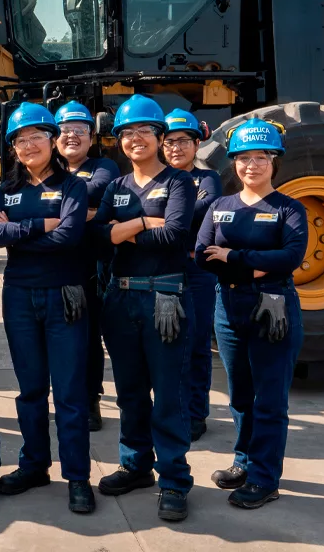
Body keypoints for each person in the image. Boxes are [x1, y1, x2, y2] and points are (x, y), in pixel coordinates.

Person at [90, 94, 197, 523]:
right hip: (120, 298)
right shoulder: (116, 187)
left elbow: (174, 236)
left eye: (144, 131)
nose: (135, 138)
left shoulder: (178, 183)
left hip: (163, 298)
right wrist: (137, 224)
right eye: (127, 133)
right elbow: (97, 238)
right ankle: (135, 466)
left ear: (158, 136)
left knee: (168, 394)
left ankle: (173, 479)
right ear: (118, 141)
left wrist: (119, 232)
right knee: (130, 391)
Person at [0, 102, 95, 515]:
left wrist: (18, 233)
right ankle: (34, 465)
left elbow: (69, 237)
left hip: (64, 296)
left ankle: (78, 477)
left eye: (36, 137)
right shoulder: (8, 189)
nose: (28, 145)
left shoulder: (73, 186)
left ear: (52, 140)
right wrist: (40, 226)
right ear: (12, 147)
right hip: (19, 297)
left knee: (69, 393)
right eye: (20, 139)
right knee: (30, 390)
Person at [195, 118, 307, 510]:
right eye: (243, 158)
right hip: (228, 308)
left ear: (274, 161)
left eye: (261, 157)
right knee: (240, 395)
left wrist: (234, 258)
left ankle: (264, 478)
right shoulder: (219, 206)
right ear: (233, 163)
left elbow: (290, 257)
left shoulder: (288, 209)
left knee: (270, 399)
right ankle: (243, 462)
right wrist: (254, 264)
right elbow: (202, 256)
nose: (252, 166)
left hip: (272, 306)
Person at [54, 100, 120, 432]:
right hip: (50, 266)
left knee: (89, 337)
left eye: (79, 130)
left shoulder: (104, 166)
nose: (71, 136)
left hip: (90, 268)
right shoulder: (42, 167)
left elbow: (102, 191)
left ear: (91, 137)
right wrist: (85, 212)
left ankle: (91, 398)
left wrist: (51, 205)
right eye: (64, 130)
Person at [163, 109, 222, 442]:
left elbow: (207, 209)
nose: (176, 148)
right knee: (167, 344)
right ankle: (172, 409)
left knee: (197, 343)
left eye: (183, 141)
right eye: (169, 142)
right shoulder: (157, 178)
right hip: (163, 270)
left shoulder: (207, 178)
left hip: (196, 271)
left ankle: (196, 413)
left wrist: (164, 213)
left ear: (196, 143)